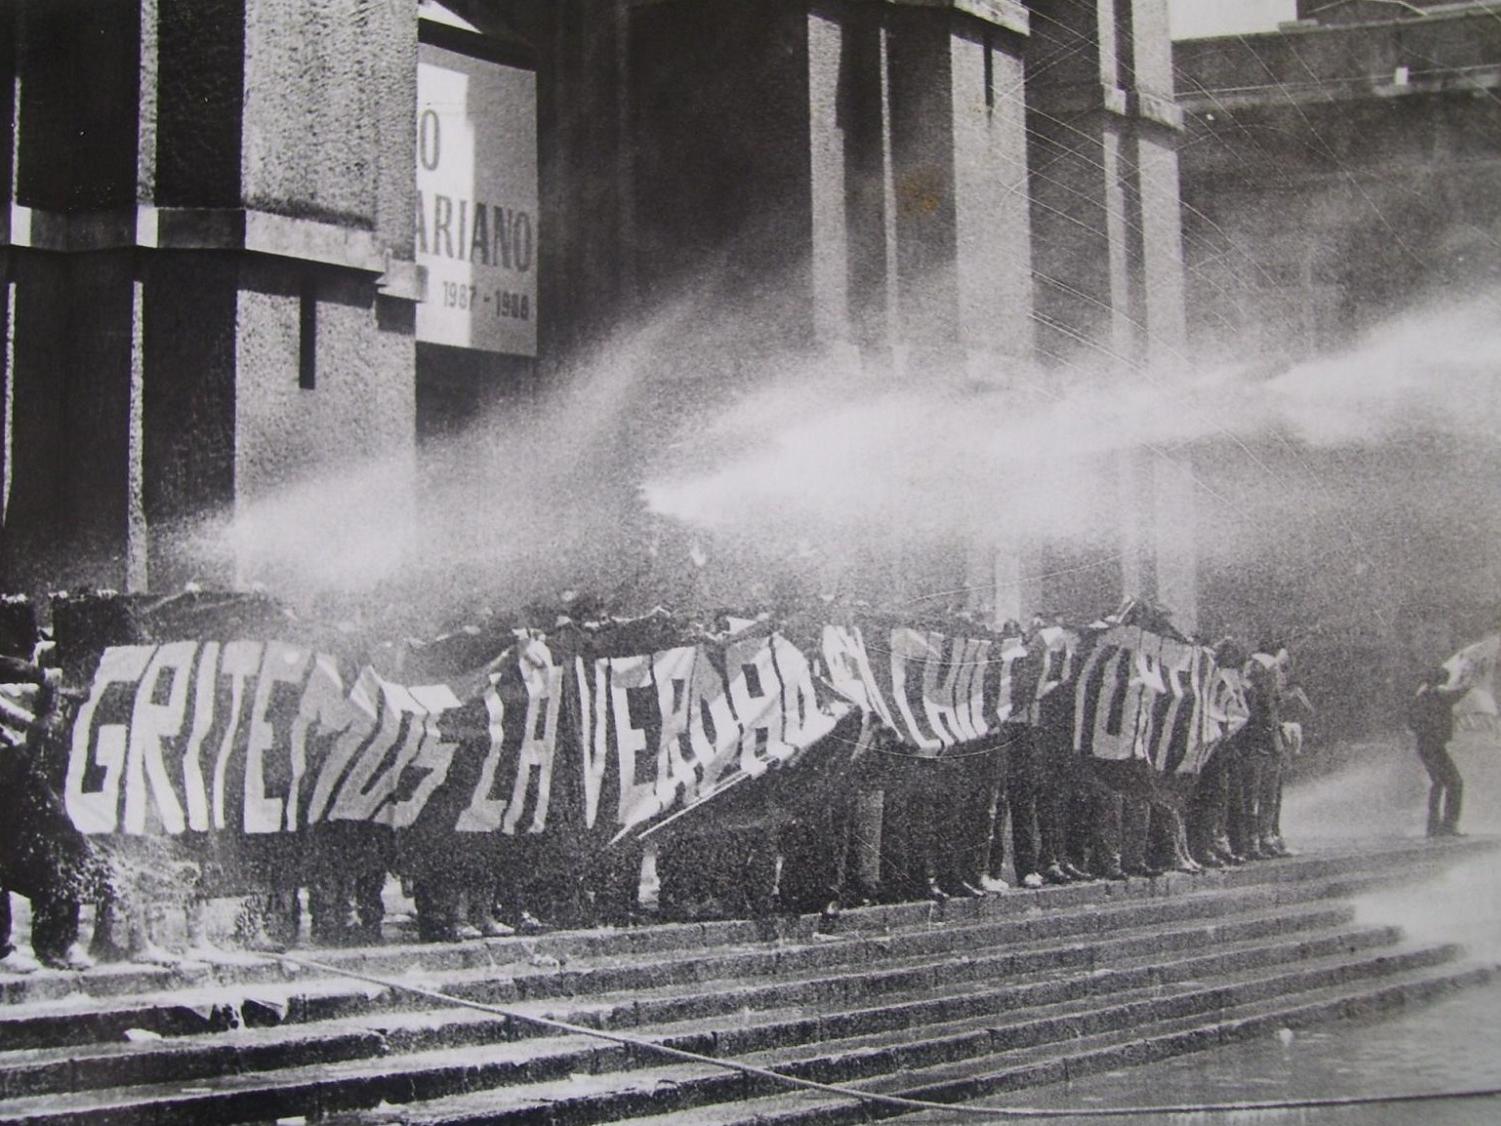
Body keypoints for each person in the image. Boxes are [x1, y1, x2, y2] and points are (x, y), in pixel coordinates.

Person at [1407, 668, 1465, 838]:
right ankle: (1446, 825)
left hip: (1427, 744)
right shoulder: (1436, 694)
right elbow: (1455, 695)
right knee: (1454, 782)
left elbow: (1412, 723)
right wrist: (1469, 684)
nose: (1447, 683)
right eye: (1445, 680)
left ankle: (1435, 826)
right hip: (1433, 745)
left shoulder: (1422, 696)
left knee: (1440, 782)